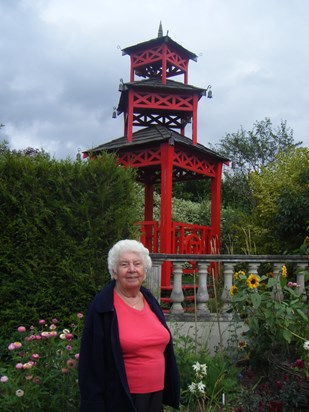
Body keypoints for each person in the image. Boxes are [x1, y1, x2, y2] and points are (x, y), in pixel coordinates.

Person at [78, 239, 180, 412]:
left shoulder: (149, 300)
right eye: (124, 264)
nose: (132, 269)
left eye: (137, 264)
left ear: (144, 271)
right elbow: (91, 361)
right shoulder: (103, 306)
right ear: (115, 272)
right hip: (122, 398)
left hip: (156, 394)